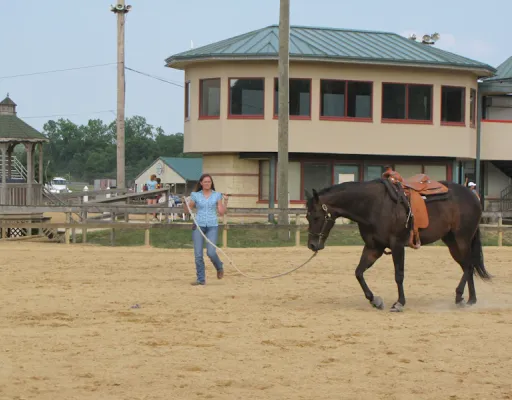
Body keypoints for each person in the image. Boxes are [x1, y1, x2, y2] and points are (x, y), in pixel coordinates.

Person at [184, 173, 229, 286]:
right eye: (205, 182)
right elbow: (187, 210)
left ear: (211, 183)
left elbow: (221, 212)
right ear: (201, 183)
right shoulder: (195, 195)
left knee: (211, 252)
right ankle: (201, 279)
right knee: (198, 254)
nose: (207, 183)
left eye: (209, 182)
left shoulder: (217, 195)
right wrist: (185, 203)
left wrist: (225, 202)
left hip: (212, 226)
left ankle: (219, 266)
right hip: (199, 225)